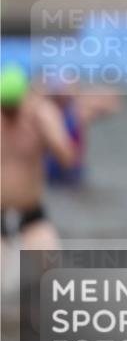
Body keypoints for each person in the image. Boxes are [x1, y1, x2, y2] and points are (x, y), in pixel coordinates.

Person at [0, 64, 77, 250]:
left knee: (48, 274)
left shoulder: (42, 116)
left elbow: (68, 159)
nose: (9, 115)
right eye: (5, 108)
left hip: (32, 216)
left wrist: (48, 132)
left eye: (13, 108)